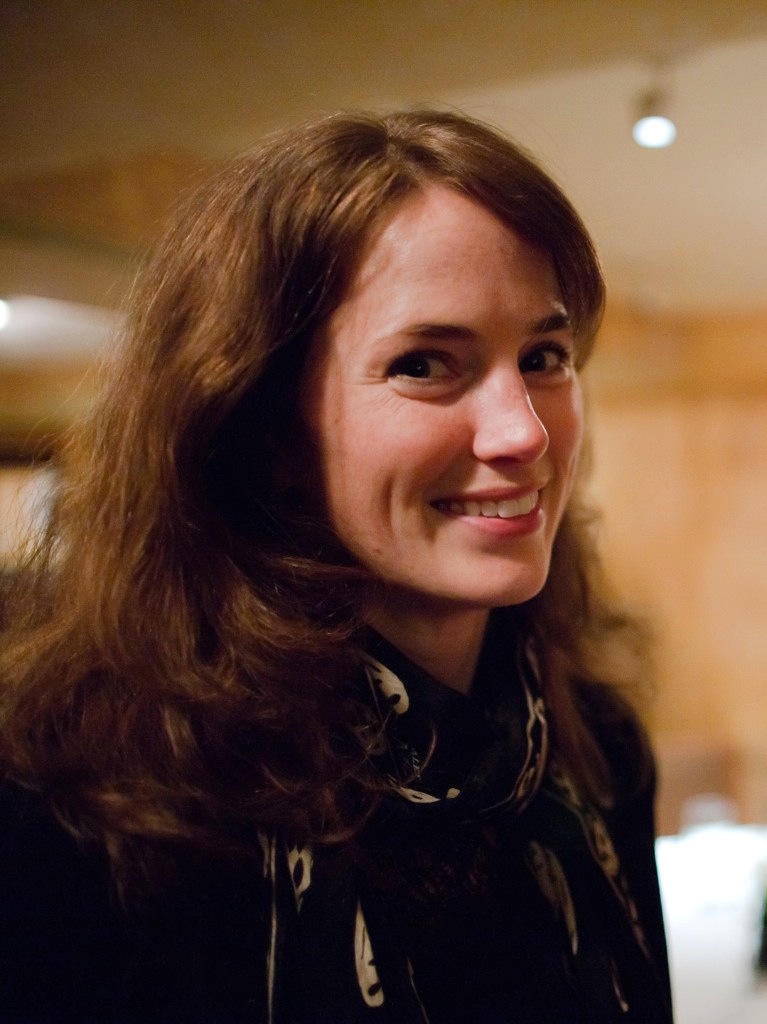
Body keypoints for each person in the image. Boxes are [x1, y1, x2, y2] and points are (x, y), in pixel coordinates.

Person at [0, 109, 673, 1023]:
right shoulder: (84, 812)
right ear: (264, 427)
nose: (523, 432)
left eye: (543, 356)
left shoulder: (596, 749)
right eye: (424, 364)